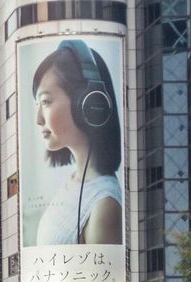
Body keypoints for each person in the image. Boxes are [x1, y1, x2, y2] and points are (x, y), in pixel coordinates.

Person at [28, 39, 123, 247]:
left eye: (46, 102)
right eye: (38, 104)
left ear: (87, 102)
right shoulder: (73, 182)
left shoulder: (104, 205)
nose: (38, 119)